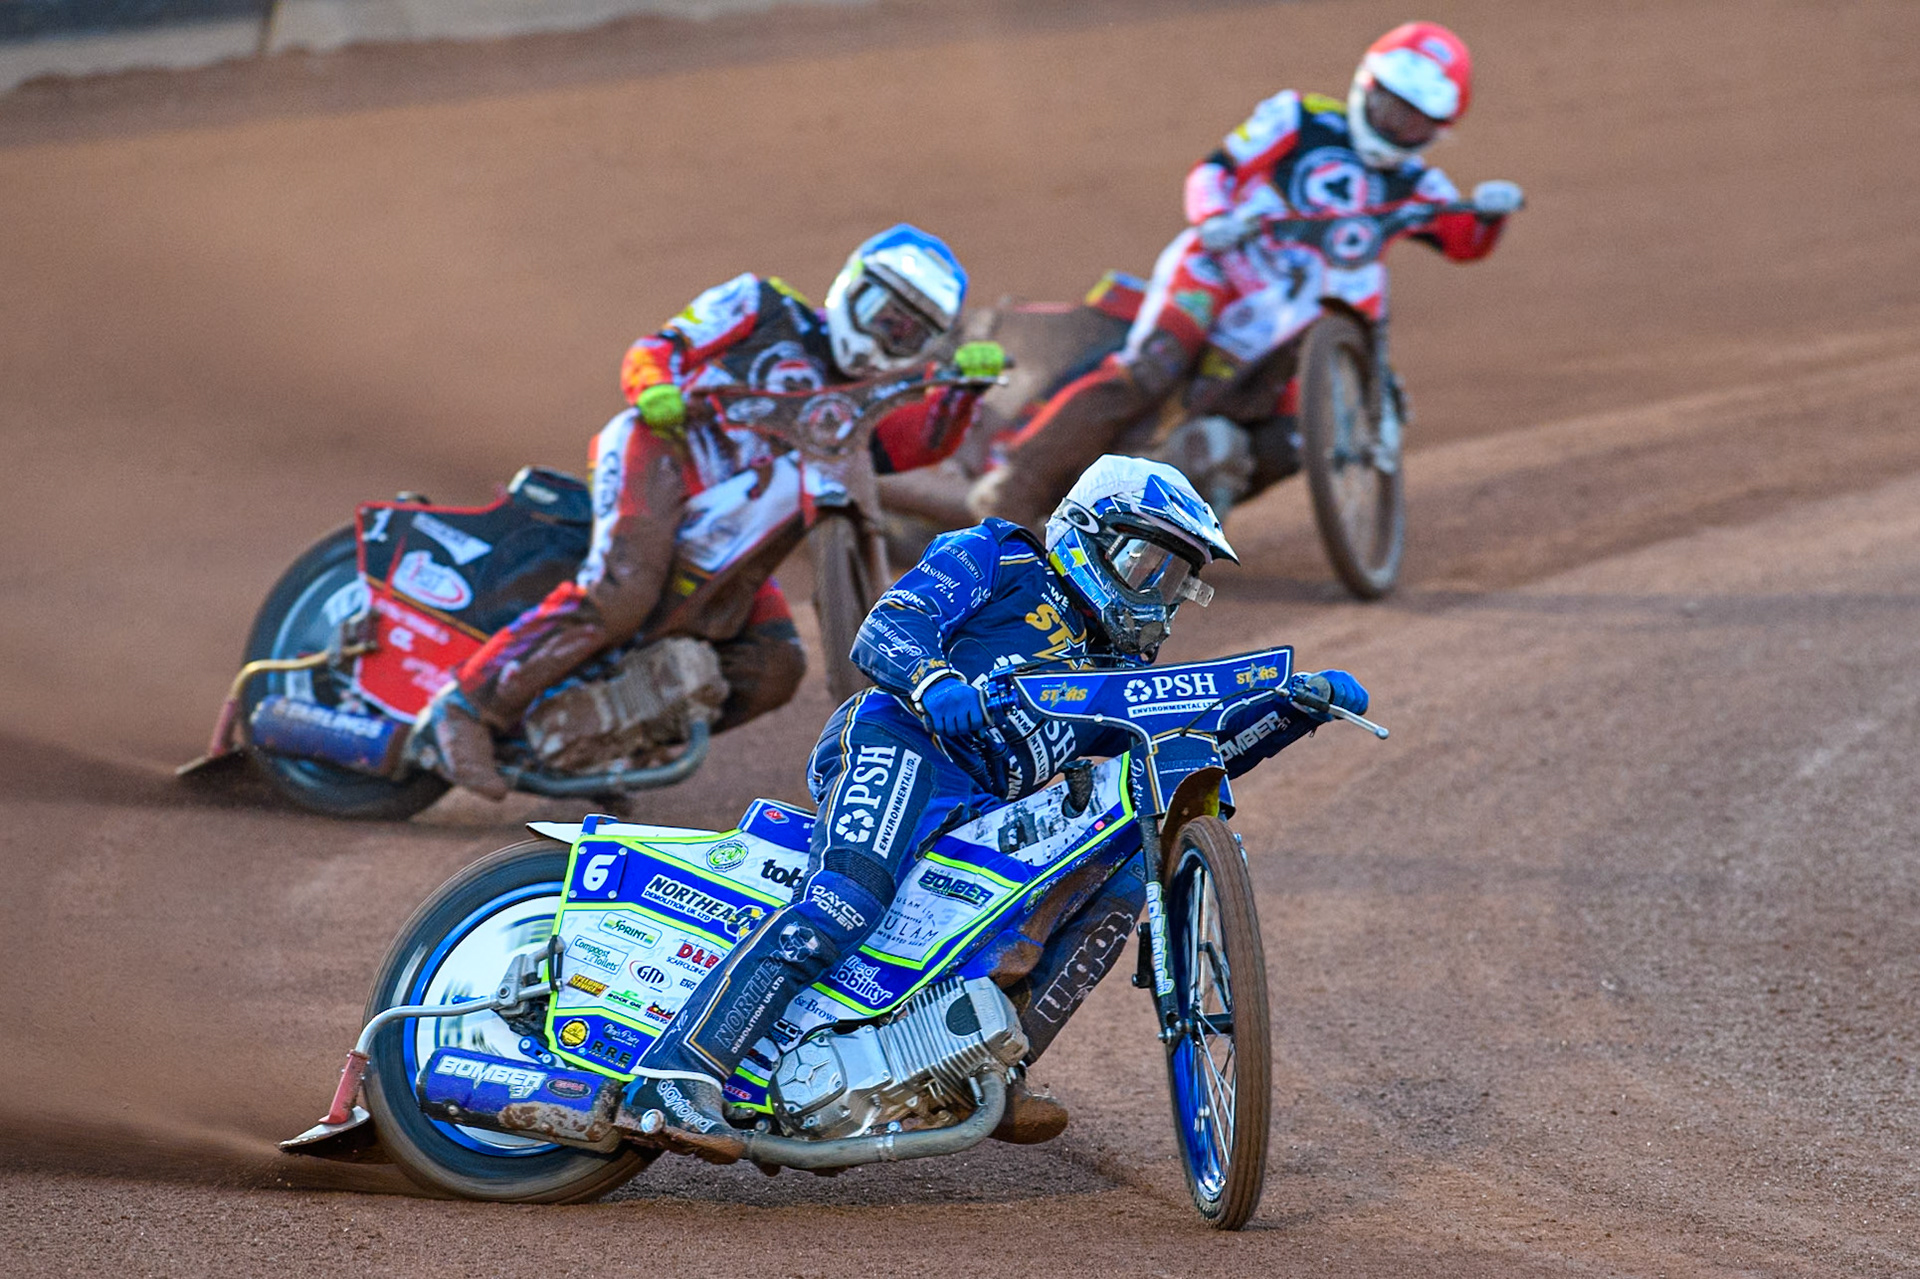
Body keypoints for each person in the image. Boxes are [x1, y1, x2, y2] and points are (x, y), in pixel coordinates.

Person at [621, 455, 1368, 1157]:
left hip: (983, 805)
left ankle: (994, 1066)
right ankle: (677, 1073)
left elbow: (1183, 753)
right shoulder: (999, 556)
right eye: (1147, 564)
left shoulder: (1113, 669)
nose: (1158, 594)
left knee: (1115, 874)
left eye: (1174, 580)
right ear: (1088, 533)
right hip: (901, 741)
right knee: (847, 901)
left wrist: (1290, 709)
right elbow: (888, 625)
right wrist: (933, 679)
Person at [418, 225, 1006, 799]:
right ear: (851, 286)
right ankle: (465, 707)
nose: (886, 335)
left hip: (747, 523)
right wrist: (655, 387)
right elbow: (659, 348)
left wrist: (962, 394)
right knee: (623, 592)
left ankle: (609, 743)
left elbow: (906, 447)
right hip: (667, 455)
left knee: (774, 665)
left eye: (906, 332)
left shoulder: (866, 397)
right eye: (883, 313)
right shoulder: (761, 304)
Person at [972, 21, 1526, 528]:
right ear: (1367, 87)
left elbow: (1464, 242)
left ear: (1437, 128)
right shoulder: (1300, 117)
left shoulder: (1419, 185)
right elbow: (1216, 169)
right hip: (1221, 269)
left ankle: (1175, 518)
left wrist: (1490, 215)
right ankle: (1014, 490)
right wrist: (1214, 217)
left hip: (1298, 321)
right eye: (1390, 106)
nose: (1397, 123)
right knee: (1151, 367)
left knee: (1291, 438)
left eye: (1415, 118)